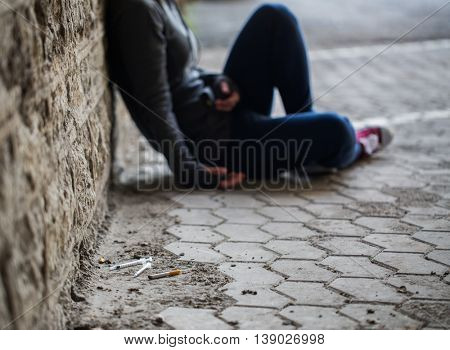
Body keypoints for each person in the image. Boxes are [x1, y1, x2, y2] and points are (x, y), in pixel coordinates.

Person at [106, 0, 393, 189]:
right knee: (338, 130)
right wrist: (190, 170)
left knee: (274, 17)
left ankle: (307, 135)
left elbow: (184, 73)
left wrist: (221, 82)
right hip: (218, 144)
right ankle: (351, 146)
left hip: (220, 108)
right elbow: (154, 101)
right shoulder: (137, 11)